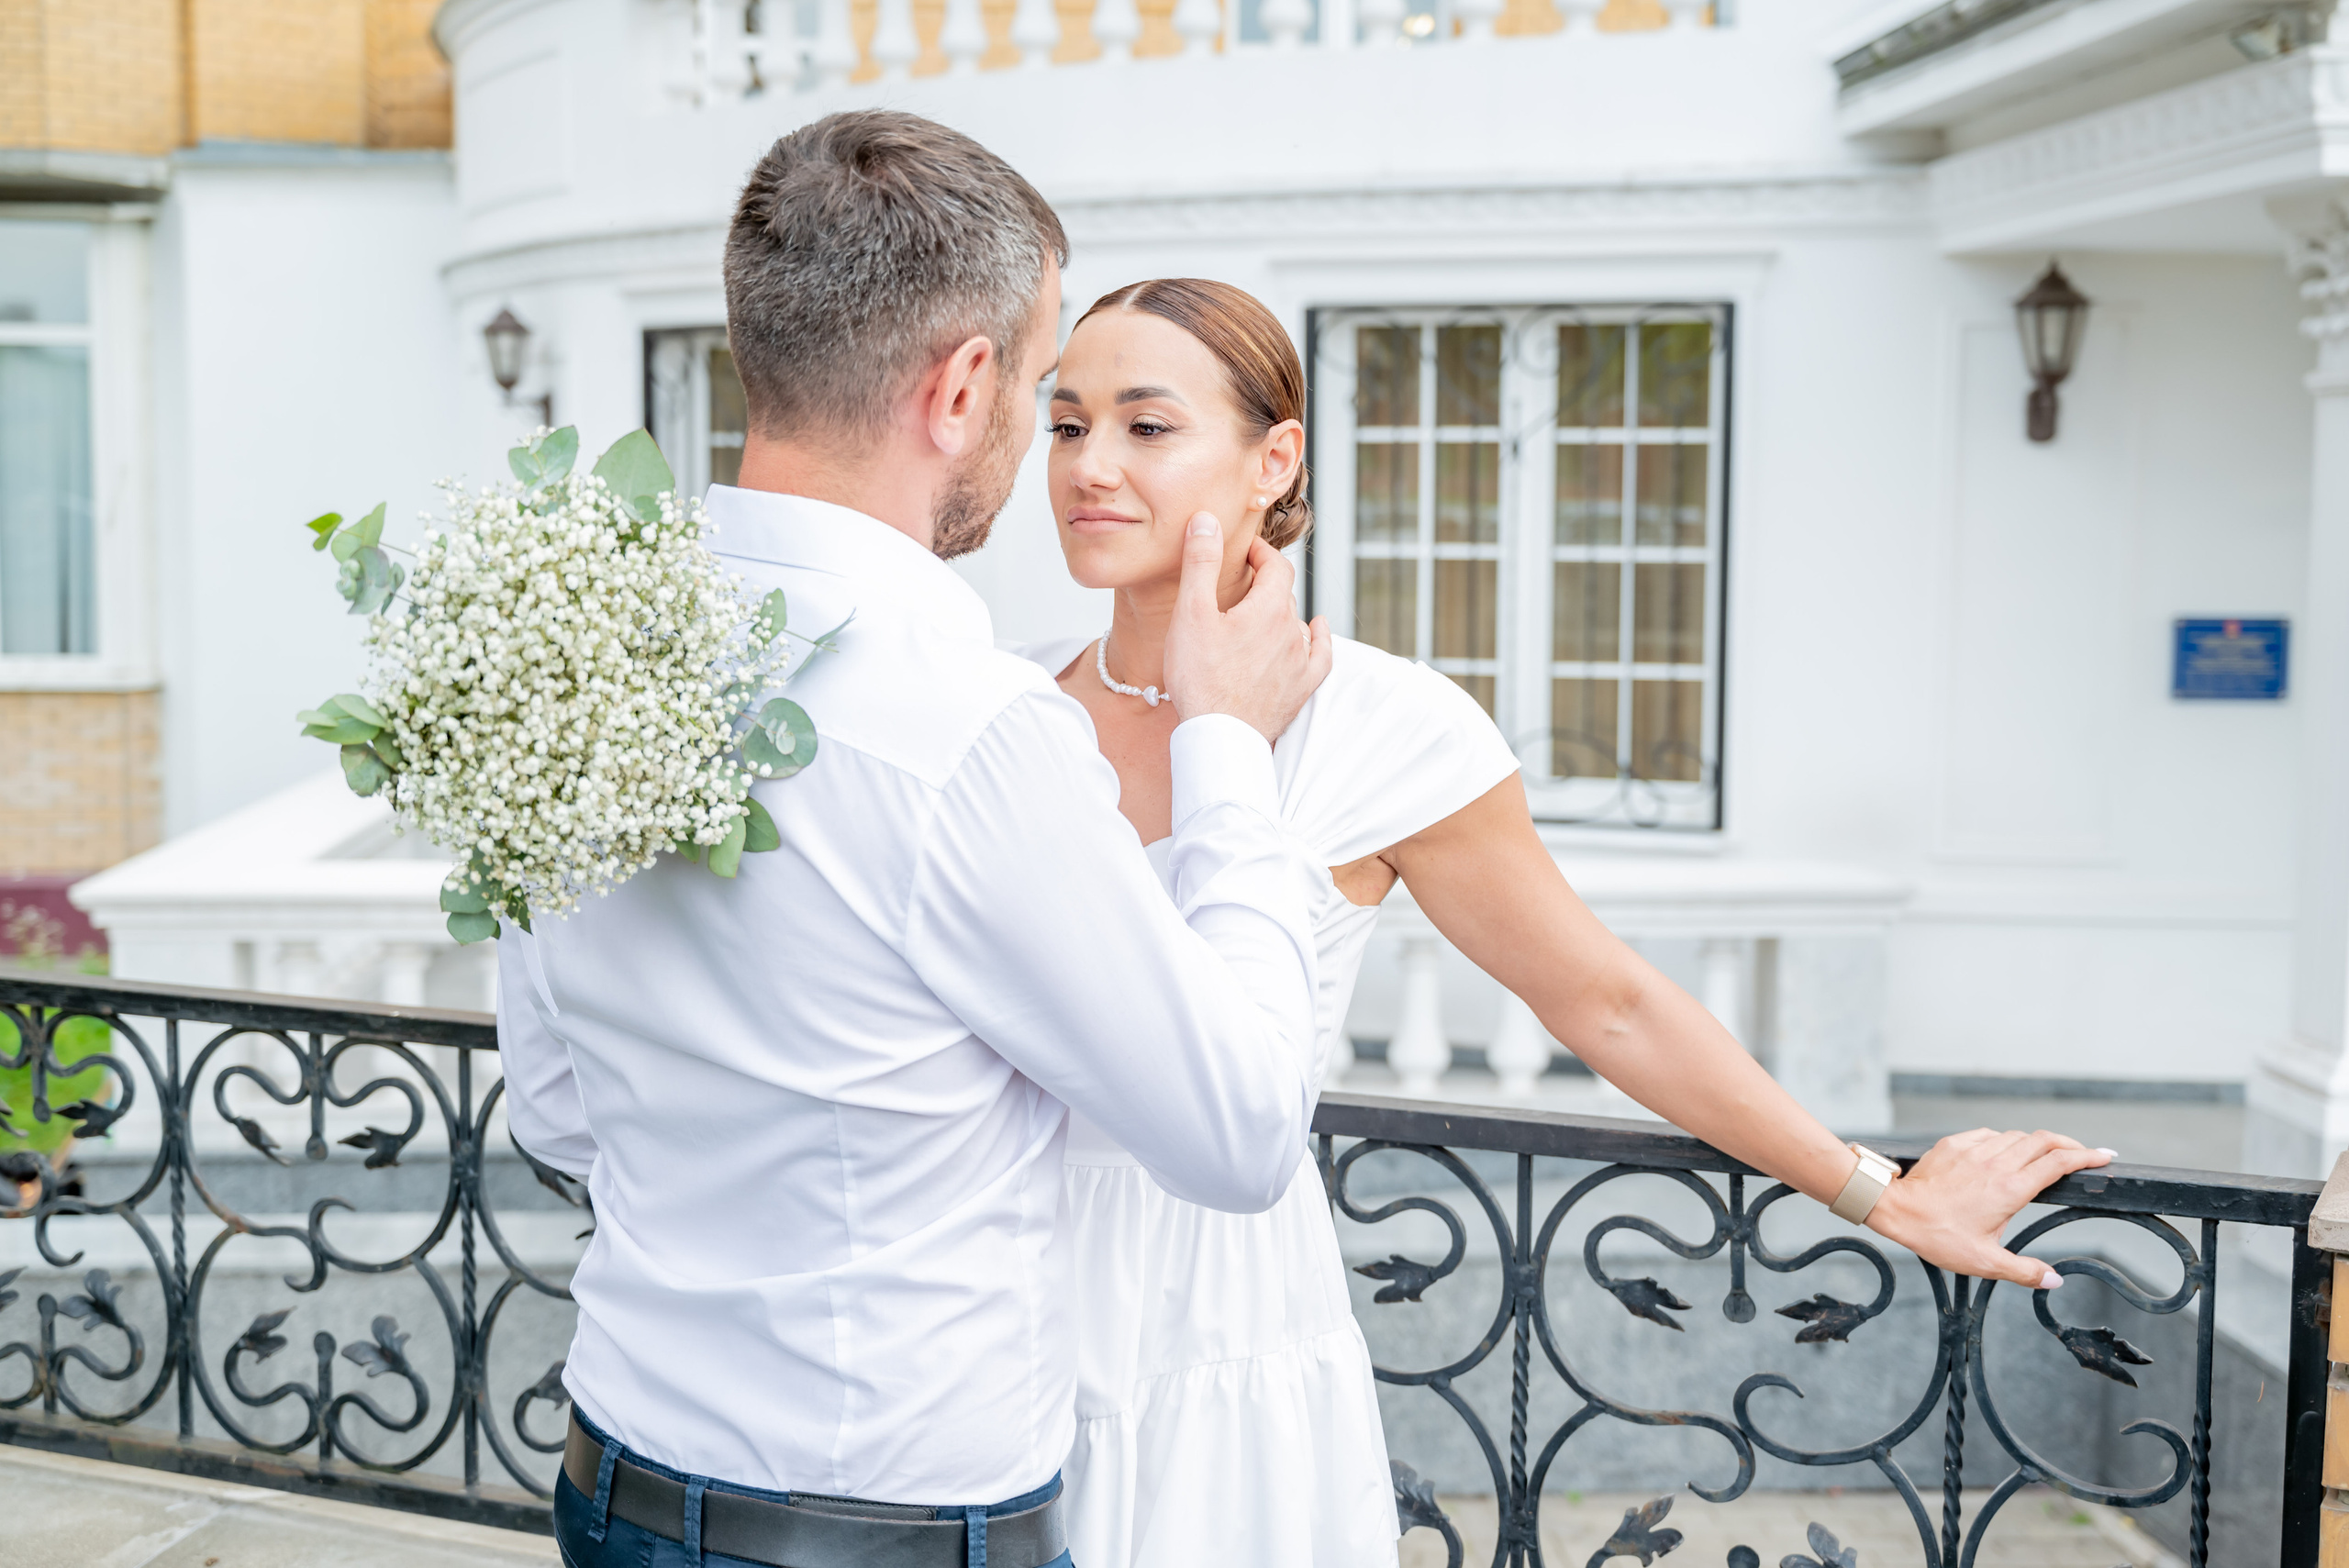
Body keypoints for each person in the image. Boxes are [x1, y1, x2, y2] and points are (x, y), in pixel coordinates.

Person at [1019, 278, 2119, 1568]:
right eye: (1067, 423)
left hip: (1220, 1313)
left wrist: (1880, 1191)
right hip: (1006, 1288)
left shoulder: (1388, 728)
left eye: (1147, 427)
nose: (1092, 466)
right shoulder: (1011, 710)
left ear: (1276, 459)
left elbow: (1606, 1001)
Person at [494, 117, 1342, 1568]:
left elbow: (559, 1110)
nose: (1043, 436)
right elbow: (1242, 1128)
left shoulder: (576, 651)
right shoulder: (970, 731)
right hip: (873, 1529)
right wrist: (1227, 747)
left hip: (618, 1476)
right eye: (1036, 383)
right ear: (961, 386)